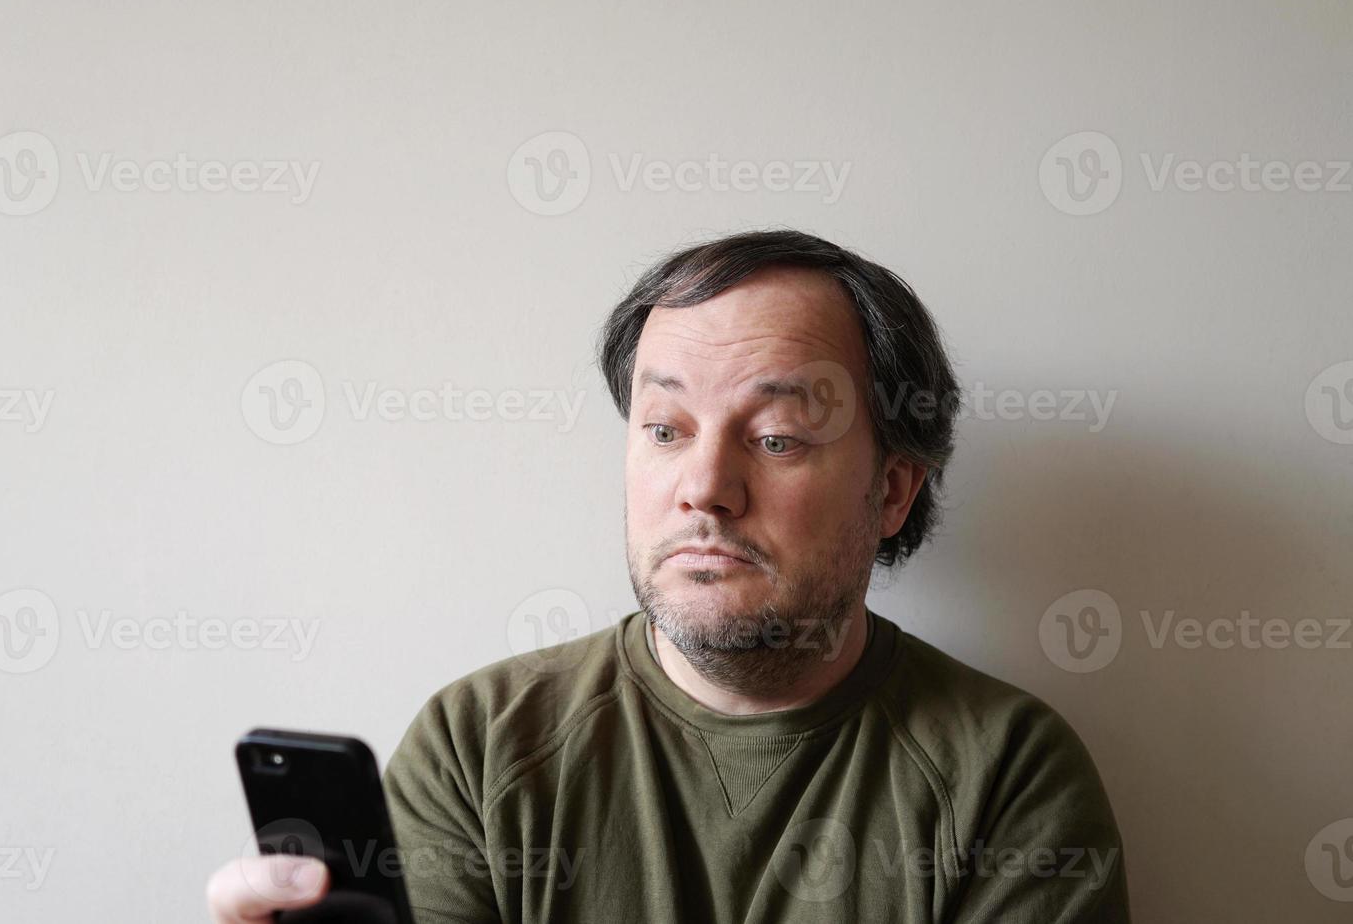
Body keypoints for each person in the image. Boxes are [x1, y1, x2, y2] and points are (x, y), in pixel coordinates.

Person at [207, 229, 1131, 923]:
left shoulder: (1008, 777)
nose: (705, 489)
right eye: (665, 429)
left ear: (891, 491)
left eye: (776, 437)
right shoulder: (479, 747)